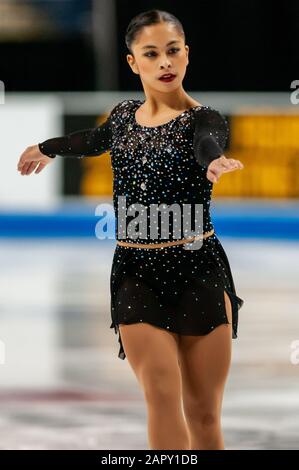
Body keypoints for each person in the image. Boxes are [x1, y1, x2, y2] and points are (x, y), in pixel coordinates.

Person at [17, 9, 245, 451]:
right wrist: (45, 147)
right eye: (152, 53)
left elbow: (207, 144)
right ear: (132, 62)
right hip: (136, 273)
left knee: (202, 411)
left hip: (200, 270)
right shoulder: (123, 117)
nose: (165, 63)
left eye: (173, 51)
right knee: (161, 397)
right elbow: (90, 139)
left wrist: (214, 160)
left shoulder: (205, 119)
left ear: (187, 55)